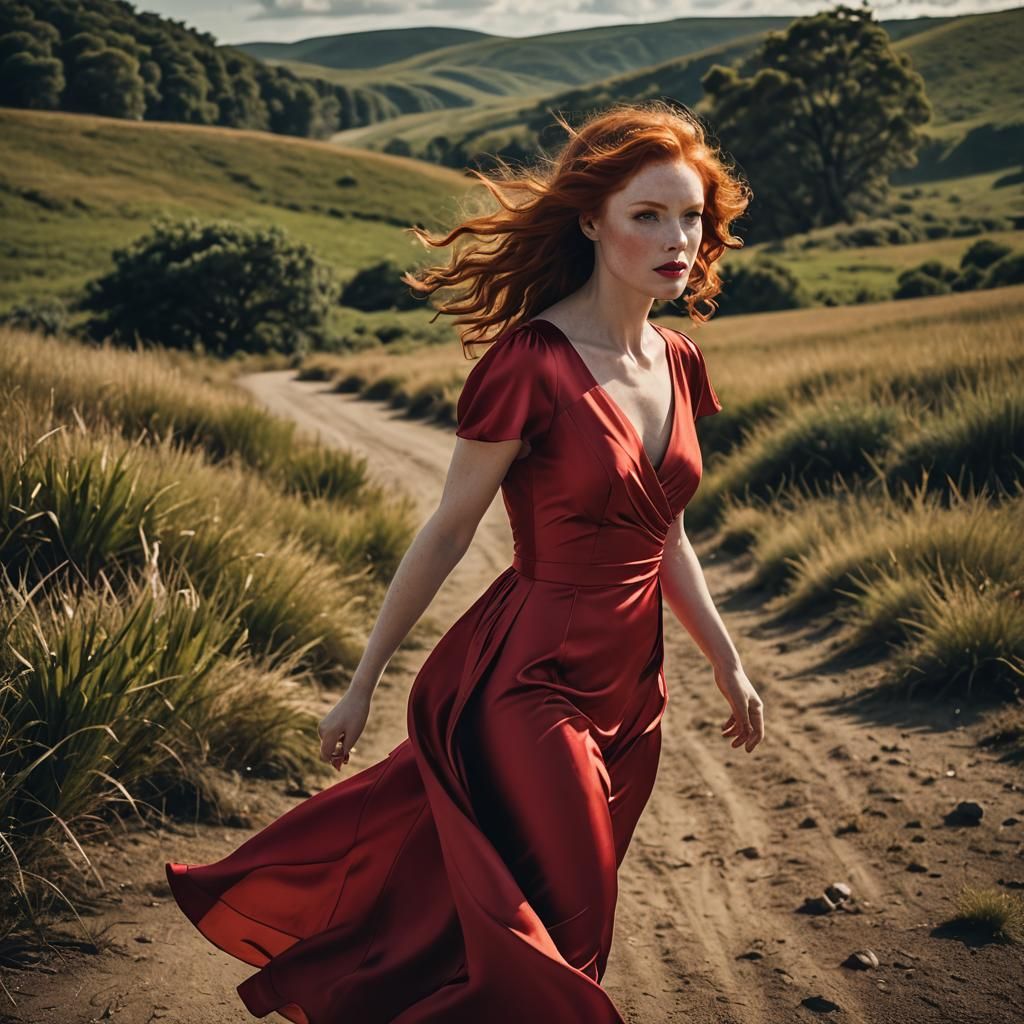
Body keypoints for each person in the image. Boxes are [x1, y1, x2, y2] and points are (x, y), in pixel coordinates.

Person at [165, 99, 762, 1023]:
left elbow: (667, 532)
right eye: (648, 214)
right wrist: (363, 682)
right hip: (530, 685)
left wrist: (726, 661)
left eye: (690, 215)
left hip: (632, 693)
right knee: (558, 923)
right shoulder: (529, 362)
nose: (677, 237)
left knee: (577, 932)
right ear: (591, 220)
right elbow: (447, 531)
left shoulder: (679, 361)